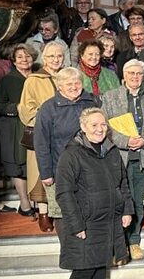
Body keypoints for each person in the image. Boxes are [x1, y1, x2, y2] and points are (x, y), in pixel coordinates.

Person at [55, 108, 134, 279]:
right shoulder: (71, 154)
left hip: (108, 220)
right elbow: (64, 193)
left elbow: (123, 183)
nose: (100, 129)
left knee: (100, 264)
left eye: (103, 124)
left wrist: (126, 210)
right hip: (86, 221)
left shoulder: (111, 150)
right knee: (83, 269)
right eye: (94, 125)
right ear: (83, 127)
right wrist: (76, 225)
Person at [101, 60, 144, 260]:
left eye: (139, 73)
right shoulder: (110, 97)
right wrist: (126, 141)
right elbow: (104, 126)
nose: (135, 77)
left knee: (137, 201)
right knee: (119, 201)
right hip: (118, 157)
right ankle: (118, 243)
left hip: (143, 158)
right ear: (124, 75)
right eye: (131, 73)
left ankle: (134, 241)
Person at [34, 67, 100, 237]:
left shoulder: (91, 102)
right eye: (68, 84)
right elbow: (41, 142)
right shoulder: (48, 108)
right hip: (60, 169)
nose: (74, 87)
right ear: (59, 86)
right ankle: (69, 247)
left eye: (77, 83)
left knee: (88, 209)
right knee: (64, 213)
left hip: (89, 168)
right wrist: (46, 173)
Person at [20, 42, 67, 231]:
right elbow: (26, 109)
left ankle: (64, 211)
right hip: (43, 133)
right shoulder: (33, 80)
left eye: (59, 56)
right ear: (44, 58)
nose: (56, 60)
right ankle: (44, 213)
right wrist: (47, 119)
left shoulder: (68, 76)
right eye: (51, 56)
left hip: (65, 135)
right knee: (42, 173)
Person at [0, 43, 37, 218]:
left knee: (35, 164)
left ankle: (37, 202)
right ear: (14, 61)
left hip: (37, 125)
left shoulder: (39, 77)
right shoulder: (7, 80)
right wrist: (17, 108)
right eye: (20, 57)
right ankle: (25, 204)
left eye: (27, 56)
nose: (24, 59)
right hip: (14, 128)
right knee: (18, 166)